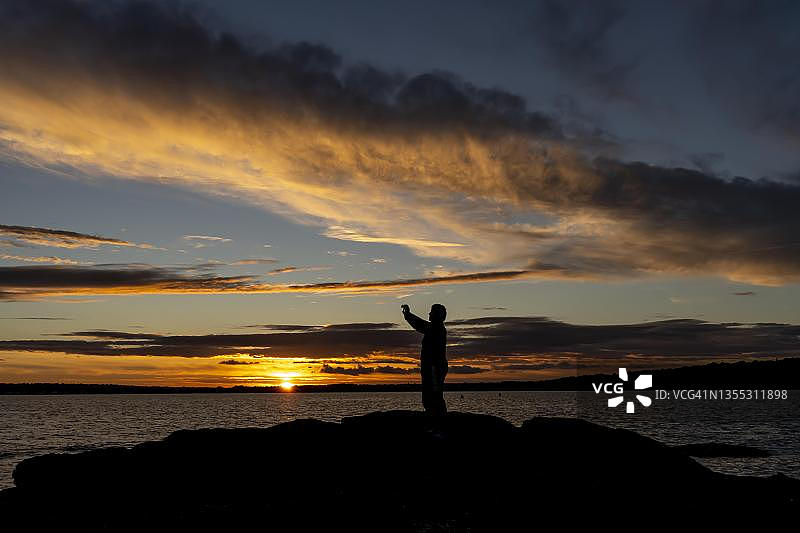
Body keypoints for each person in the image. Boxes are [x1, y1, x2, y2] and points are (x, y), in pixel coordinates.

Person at [401, 303, 448, 415]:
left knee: (434, 395)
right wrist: (408, 315)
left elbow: (420, 324)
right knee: (429, 395)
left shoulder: (436, 328)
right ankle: (434, 420)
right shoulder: (434, 328)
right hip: (432, 367)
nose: (429, 313)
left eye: (432, 312)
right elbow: (421, 325)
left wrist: (408, 314)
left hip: (434, 367)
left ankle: (438, 422)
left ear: (438, 315)